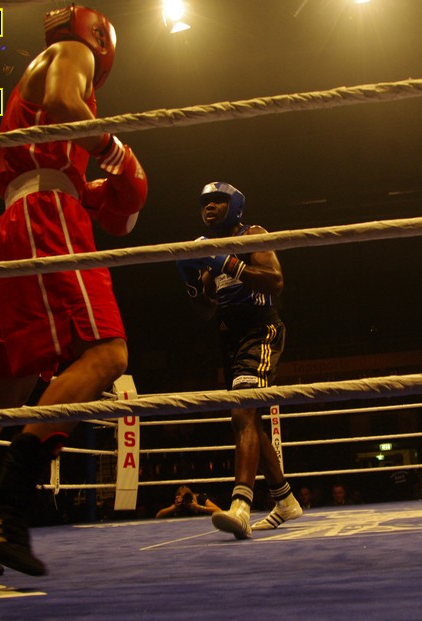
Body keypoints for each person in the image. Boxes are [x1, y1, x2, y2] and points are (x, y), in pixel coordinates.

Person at [0, 5, 147, 580]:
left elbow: (56, 149)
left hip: (17, 222)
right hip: (47, 217)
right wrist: (118, 156)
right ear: (98, 36)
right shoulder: (74, 53)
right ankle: (6, 502)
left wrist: (94, 190)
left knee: (5, 390)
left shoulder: (33, 77)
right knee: (108, 354)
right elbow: (67, 106)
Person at [175, 182, 301, 539]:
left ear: (235, 207)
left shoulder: (252, 235)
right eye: (205, 203)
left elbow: (274, 281)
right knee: (249, 420)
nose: (210, 207)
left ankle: (241, 506)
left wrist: (228, 262)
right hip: (229, 339)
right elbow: (206, 310)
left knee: (242, 415)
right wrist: (192, 285)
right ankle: (285, 500)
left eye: (218, 201)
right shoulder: (207, 252)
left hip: (260, 331)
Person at [155, 485, 221, 518]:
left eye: (186, 497)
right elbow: (158, 515)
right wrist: (175, 507)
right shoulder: (181, 503)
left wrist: (199, 507)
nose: (185, 499)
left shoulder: (201, 498)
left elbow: (218, 510)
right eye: (182, 497)